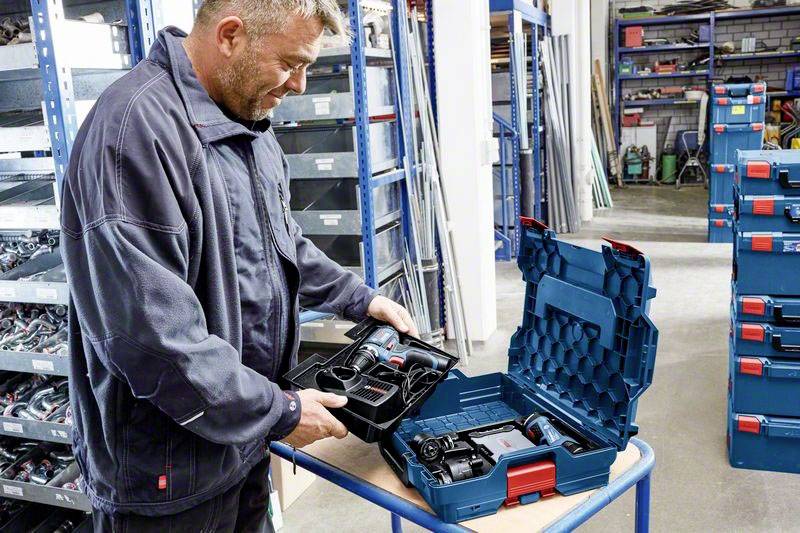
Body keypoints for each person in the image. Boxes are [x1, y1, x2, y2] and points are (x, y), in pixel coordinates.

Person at [60, 1, 417, 530]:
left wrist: (359, 298)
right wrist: (280, 413)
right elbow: (155, 341)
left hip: (240, 442)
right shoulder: (133, 133)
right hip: (168, 474)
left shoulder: (247, 118)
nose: (298, 85)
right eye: (290, 63)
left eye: (308, 67)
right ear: (230, 36)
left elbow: (279, 241)